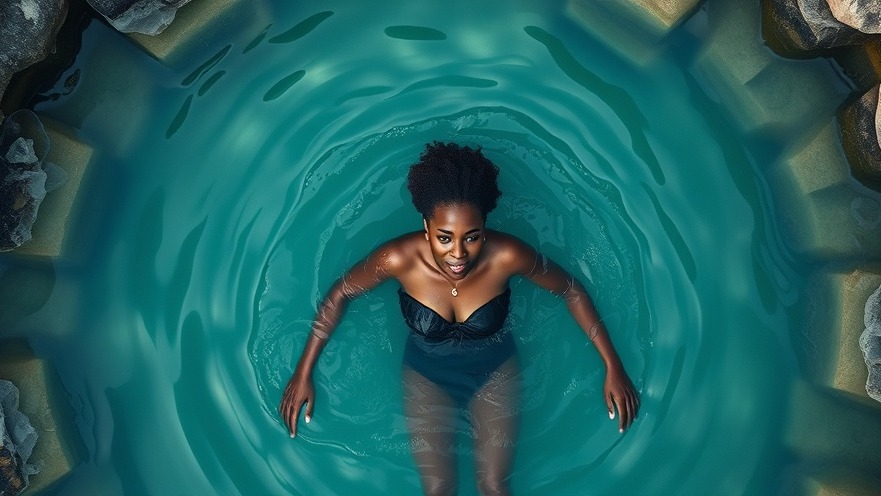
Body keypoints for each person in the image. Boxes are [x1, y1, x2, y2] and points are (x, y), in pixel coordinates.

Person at [280, 141, 639, 495]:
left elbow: (570, 290)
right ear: (426, 227)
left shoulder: (507, 255)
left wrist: (613, 366)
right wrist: (303, 371)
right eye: (444, 238)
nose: (458, 254)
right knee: (440, 489)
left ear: (485, 226)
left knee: (494, 487)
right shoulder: (397, 259)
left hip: (495, 371)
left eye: (472, 237)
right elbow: (341, 292)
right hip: (426, 375)